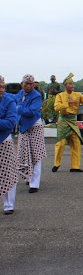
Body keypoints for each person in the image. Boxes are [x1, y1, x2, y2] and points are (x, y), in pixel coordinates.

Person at [14, 74, 47, 193]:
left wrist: (18, 108)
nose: (28, 86)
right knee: (24, 153)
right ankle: (28, 176)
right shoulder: (20, 94)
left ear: (33, 85)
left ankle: (35, 183)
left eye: (30, 84)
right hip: (24, 128)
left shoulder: (36, 96)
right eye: (26, 83)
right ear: (22, 84)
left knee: (35, 155)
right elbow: (12, 100)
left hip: (35, 128)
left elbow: (32, 111)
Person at [0, 75, 19, 215]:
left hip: (4, 140)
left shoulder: (9, 101)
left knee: (7, 172)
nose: (1, 89)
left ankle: (8, 204)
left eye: (3, 86)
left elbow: (11, 122)